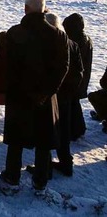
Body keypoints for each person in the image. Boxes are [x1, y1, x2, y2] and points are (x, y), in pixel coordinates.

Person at [0, 0, 69, 191]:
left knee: (16, 140)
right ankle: (41, 179)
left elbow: (7, 66)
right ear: (43, 9)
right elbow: (63, 68)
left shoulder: (14, 33)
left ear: (26, 9)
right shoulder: (58, 35)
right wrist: (47, 92)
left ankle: (12, 176)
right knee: (43, 140)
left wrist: (13, 90)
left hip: (19, 96)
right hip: (45, 98)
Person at [44, 13, 83, 178]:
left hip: (50, 95)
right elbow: (79, 72)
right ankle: (66, 163)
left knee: (45, 131)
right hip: (66, 96)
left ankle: (44, 169)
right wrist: (70, 90)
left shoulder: (46, 45)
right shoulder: (72, 44)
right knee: (64, 130)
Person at [62, 13, 93, 140]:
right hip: (82, 76)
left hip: (76, 78)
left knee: (72, 104)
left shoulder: (76, 41)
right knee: (74, 103)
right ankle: (77, 129)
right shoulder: (84, 38)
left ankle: (74, 130)